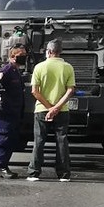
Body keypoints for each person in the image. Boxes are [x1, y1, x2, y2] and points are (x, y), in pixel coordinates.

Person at [27, 39, 76, 182]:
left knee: (39, 140)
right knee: (61, 140)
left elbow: (35, 91)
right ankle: (64, 174)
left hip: (42, 109)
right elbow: (70, 90)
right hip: (62, 110)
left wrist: (49, 108)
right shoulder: (68, 67)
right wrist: (56, 108)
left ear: (48, 51)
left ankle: (34, 172)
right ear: (60, 52)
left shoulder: (39, 67)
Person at [0, 45, 32, 178]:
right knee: (3, 139)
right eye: (21, 55)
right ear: (12, 57)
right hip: (5, 113)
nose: (24, 58)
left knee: (11, 140)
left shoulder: (16, 72)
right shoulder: (6, 71)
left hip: (14, 113)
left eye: (25, 55)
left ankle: (4, 165)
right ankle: (1, 167)